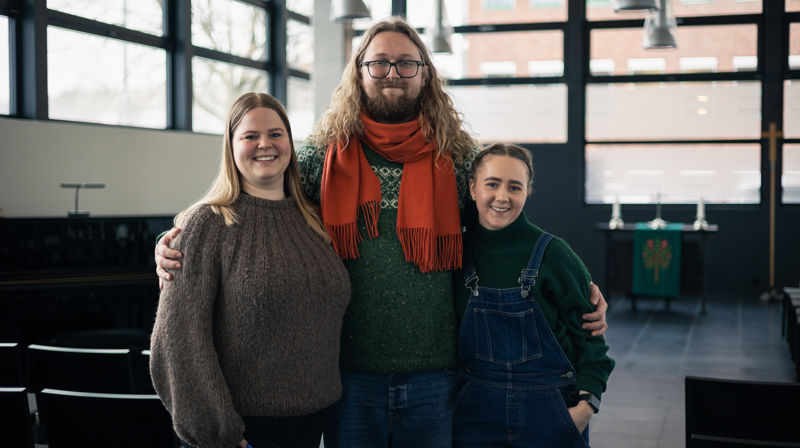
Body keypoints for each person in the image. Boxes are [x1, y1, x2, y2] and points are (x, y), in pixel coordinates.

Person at [154, 17, 609, 448]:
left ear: (425, 74)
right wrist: (179, 237)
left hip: (437, 373)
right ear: (359, 73)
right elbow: (259, 206)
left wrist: (569, 288)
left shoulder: (460, 159)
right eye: (379, 63)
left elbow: (501, 230)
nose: (392, 72)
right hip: (346, 376)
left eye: (407, 63)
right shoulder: (318, 158)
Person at [149, 92, 351, 448]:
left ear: (290, 141)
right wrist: (221, 433)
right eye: (250, 136)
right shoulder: (205, 225)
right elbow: (177, 342)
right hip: (243, 431)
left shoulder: (315, 221)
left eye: (276, 133)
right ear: (231, 146)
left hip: (315, 423)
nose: (265, 144)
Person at [454, 143, 614, 448]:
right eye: (492, 184)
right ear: (473, 188)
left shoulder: (554, 254)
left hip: (550, 415)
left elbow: (592, 341)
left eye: (515, 187)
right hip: (475, 416)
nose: (502, 197)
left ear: (528, 191)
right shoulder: (455, 252)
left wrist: (586, 407)